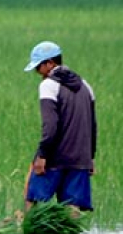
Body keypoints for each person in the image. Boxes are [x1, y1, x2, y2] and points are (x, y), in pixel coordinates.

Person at [22, 41, 97, 212]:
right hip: (80, 158)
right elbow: (93, 126)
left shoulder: (48, 86)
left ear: (50, 63)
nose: (37, 72)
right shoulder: (86, 86)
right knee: (72, 209)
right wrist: (90, 158)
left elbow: (50, 126)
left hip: (55, 157)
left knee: (33, 202)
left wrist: (42, 156)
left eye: (38, 67)